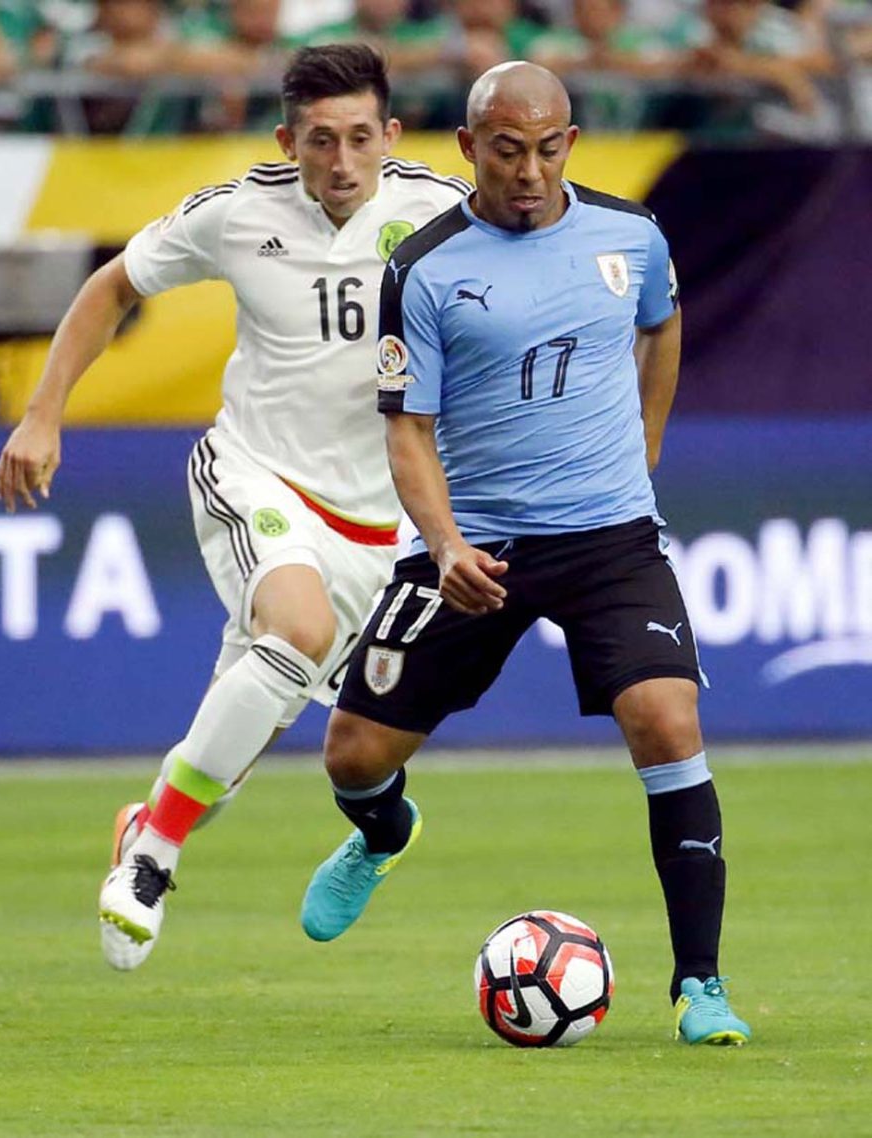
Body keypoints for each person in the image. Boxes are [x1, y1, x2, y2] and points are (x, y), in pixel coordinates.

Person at [300, 60, 751, 1046]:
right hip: (476, 547)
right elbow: (407, 431)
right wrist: (448, 542)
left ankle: (699, 985)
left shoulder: (629, 237)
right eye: (507, 151)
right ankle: (382, 833)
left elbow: (662, 323)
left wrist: (643, 449)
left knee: (664, 719)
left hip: (607, 537)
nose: (529, 172)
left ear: (570, 145)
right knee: (353, 754)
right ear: (468, 149)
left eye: (548, 150)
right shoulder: (421, 266)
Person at [0, 42, 469, 971]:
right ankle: (153, 855)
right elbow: (112, 286)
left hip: (378, 526)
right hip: (255, 473)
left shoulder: (441, 213)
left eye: (359, 139)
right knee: (288, 629)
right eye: (320, 141)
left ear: (392, 136)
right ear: (288, 139)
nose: (340, 162)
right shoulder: (235, 212)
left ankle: (327, 829)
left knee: (288, 742)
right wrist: (44, 414)